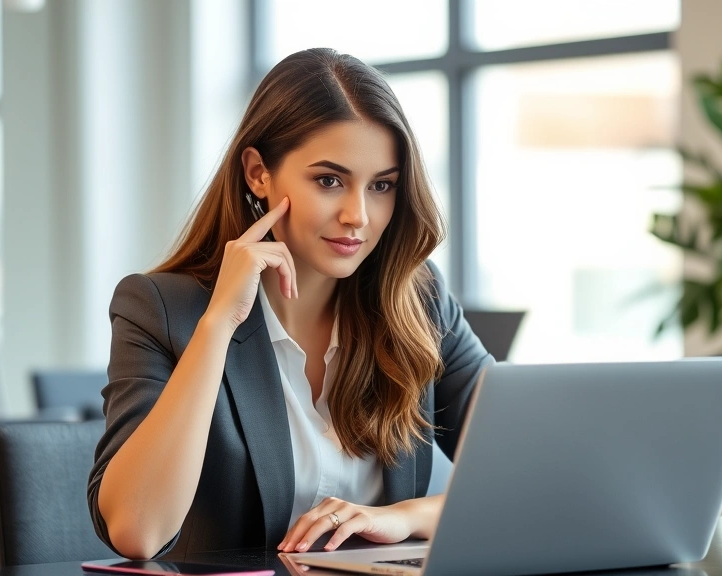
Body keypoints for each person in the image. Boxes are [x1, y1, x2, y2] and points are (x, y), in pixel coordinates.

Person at [86, 48, 493, 560]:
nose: (358, 216)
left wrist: (400, 518)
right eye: (329, 180)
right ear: (259, 173)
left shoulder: (419, 301)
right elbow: (137, 531)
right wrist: (219, 324)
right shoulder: (163, 308)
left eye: (382, 185)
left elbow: (524, 477)